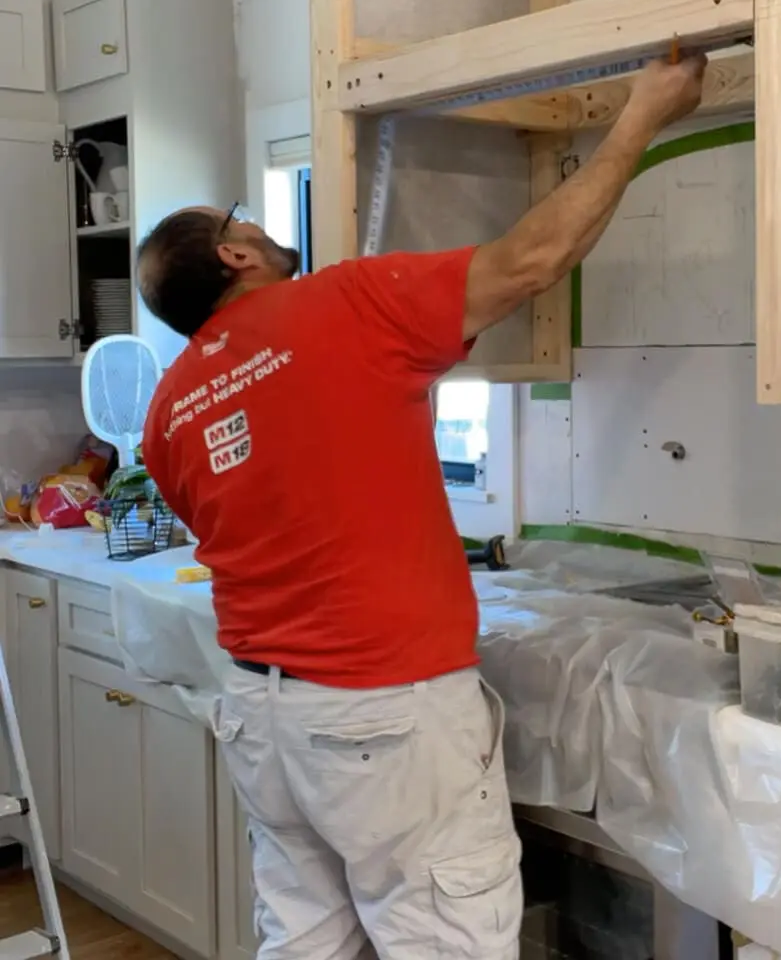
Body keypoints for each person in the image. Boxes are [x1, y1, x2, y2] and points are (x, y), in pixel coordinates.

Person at [138, 52, 707, 960]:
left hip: (262, 716)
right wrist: (642, 112)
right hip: (380, 716)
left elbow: (283, 511)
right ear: (237, 254)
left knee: (307, 943)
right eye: (243, 218)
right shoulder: (339, 305)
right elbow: (533, 259)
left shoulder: (168, 412)